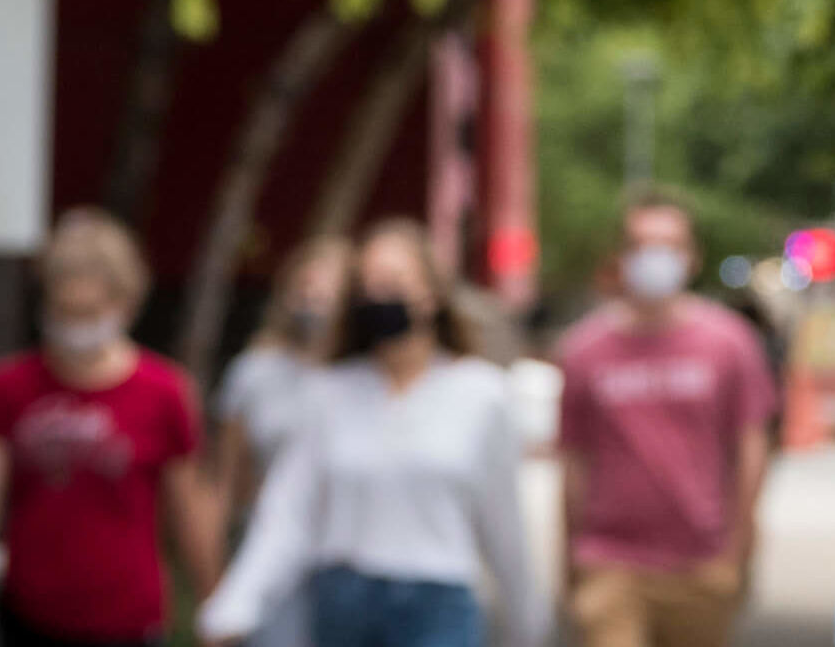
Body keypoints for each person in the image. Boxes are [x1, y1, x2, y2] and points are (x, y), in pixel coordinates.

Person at [199, 219, 545, 647]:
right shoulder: (329, 393)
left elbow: (504, 524)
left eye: (394, 282)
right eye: (368, 286)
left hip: (438, 605)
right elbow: (287, 514)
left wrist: (528, 626)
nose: (379, 297)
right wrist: (235, 604)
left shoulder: (480, 395)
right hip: (344, 601)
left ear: (432, 293)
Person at [0, 208, 222, 647]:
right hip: (29, 617)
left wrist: (215, 603)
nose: (75, 327)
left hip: (127, 620)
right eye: (63, 310)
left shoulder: (163, 391)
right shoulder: (8, 386)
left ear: (124, 305)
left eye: (88, 312)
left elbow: (189, 510)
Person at [555, 190, 776, 647]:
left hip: (701, 564)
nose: (655, 258)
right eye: (642, 244)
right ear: (622, 257)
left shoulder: (729, 344)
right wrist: (569, 559)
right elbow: (573, 463)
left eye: (669, 245)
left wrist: (739, 549)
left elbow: (752, 449)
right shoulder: (583, 351)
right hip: (610, 561)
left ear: (691, 256)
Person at [208, 236, 352, 647]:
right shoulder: (254, 373)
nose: (314, 300)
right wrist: (219, 577)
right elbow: (226, 480)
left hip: (345, 551)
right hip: (271, 545)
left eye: (328, 290)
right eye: (305, 288)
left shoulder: (365, 380)